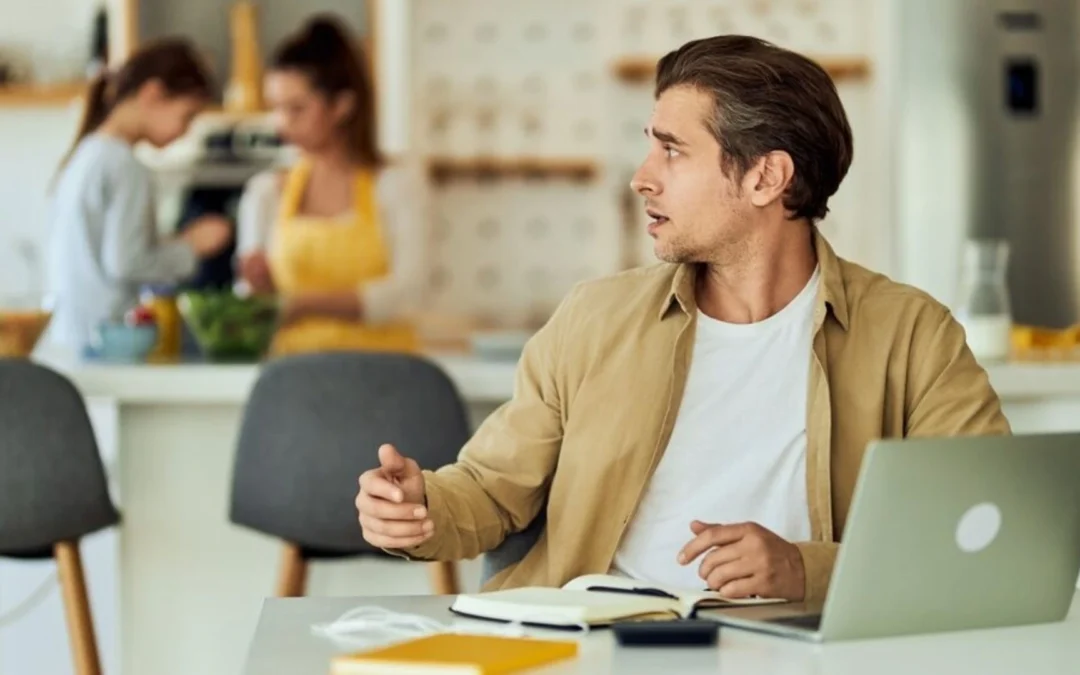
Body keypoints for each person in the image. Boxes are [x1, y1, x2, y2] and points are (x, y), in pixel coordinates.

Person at [355, 36, 1011, 603]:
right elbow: (493, 489)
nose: (642, 178)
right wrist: (422, 507)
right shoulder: (594, 319)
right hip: (599, 645)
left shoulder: (912, 335)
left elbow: (982, 531)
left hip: (801, 650)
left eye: (672, 151)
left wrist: (803, 570)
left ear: (765, 177)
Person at [235, 14, 426, 357]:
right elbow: (251, 305)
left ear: (342, 105)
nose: (280, 124)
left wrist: (303, 305)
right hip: (290, 371)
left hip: (385, 371)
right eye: (275, 108)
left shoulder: (396, 185)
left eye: (296, 109)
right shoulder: (265, 193)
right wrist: (259, 287)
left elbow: (408, 293)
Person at [46, 38, 233, 350]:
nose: (186, 130)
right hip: (110, 339)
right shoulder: (126, 166)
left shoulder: (89, 153)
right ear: (152, 94)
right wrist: (192, 247)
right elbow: (127, 263)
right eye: (188, 115)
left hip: (71, 336)